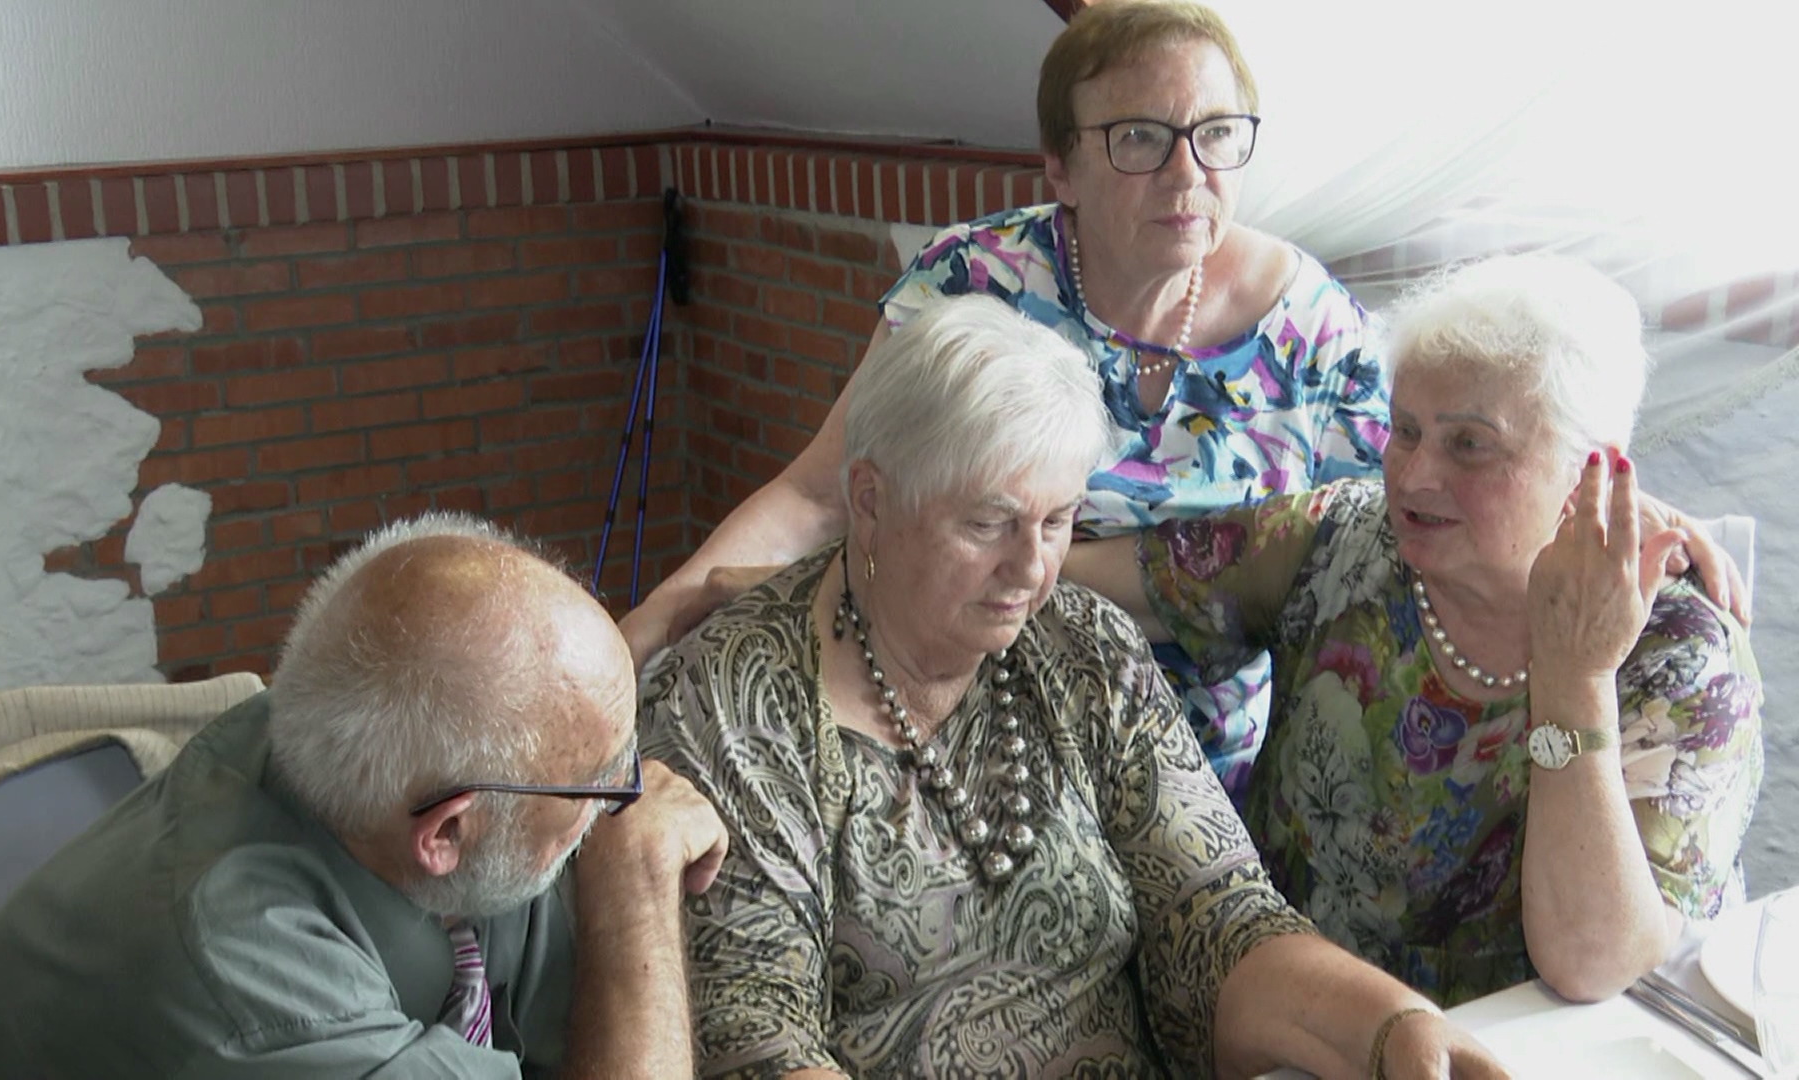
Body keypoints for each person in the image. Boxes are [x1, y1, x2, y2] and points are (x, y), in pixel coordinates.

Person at [620, 0, 1745, 800]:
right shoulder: (975, 284)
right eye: (1139, 139)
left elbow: (1417, 498)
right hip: (973, 737)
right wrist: (644, 629)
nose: (1186, 172)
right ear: (1059, 166)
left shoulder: (1307, 323)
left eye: (1214, 136)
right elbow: (821, 495)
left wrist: (1599, 504)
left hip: (1214, 778)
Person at [639, 296, 1507, 1078]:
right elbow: (757, 1043)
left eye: (1056, 521)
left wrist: (1390, 1028)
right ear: (870, 500)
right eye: (989, 523)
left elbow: (1218, 916)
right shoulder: (735, 704)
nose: (1031, 569)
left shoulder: (1082, 647)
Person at [1064, 254, 1764, 1006]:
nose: (1414, 475)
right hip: (1299, 1022)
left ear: (1587, 470)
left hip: (1523, 1049)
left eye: (1469, 444)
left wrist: (1577, 678)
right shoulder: (1345, 540)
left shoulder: (1681, 657)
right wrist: (993, 538)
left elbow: (1594, 963)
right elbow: (1105, 579)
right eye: (1405, 430)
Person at [0, 515, 729, 1078]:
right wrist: (635, 887)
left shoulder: (381, 768)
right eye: (600, 781)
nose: (625, 800)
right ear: (445, 834)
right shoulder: (256, 986)